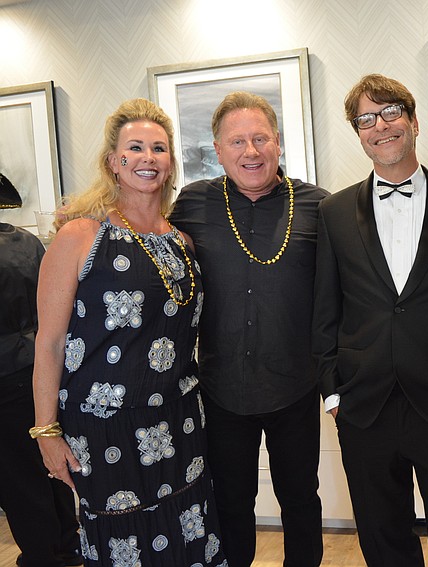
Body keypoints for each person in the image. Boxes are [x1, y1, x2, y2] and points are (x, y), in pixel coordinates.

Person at [312, 74, 428, 567]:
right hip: (362, 405)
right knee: (382, 536)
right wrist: (332, 393)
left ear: (414, 122)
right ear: (359, 133)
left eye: (391, 112)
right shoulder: (331, 213)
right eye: (366, 119)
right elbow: (325, 311)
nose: (381, 126)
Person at [31, 98, 226, 565]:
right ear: (113, 162)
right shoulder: (80, 235)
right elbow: (50, 342)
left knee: (189, 536)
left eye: (159, 148)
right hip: (104, 428)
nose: (147, 157)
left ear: (170, 162)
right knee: (125, 546)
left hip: (179, 420)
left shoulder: (181, 242)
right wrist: (45, 432)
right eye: (134, 147)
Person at [169, 91, 326, 567]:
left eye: (260, 138)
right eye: (237, 141)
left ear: (278, 143)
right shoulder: (192, 203)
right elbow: (142, 243)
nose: (250, 151)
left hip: (296, 386)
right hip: (221, 389)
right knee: (231, 503)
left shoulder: (320, 206)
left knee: (300, 499)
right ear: (217, 150)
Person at [1, 176, 81, 567]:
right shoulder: (26, 241)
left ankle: (43, 557)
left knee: (18, 479)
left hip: (4, 376)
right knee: (49, 467)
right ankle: (67, 546)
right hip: (39, 369)